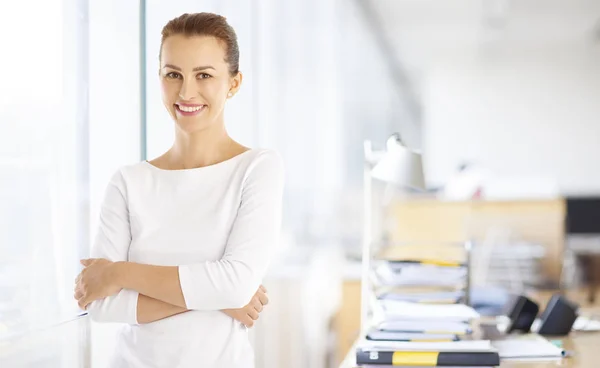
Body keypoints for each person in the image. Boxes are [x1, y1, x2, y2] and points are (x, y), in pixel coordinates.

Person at [73, 12, 284, 368]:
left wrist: (117, 273)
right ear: (159, 78)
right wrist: (214, 295)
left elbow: (234, 285)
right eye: (173, 74)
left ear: (233, 83)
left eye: (204, 75)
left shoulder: (257, 168)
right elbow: (100, 305)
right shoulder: (128, 182)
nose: (187, 92)